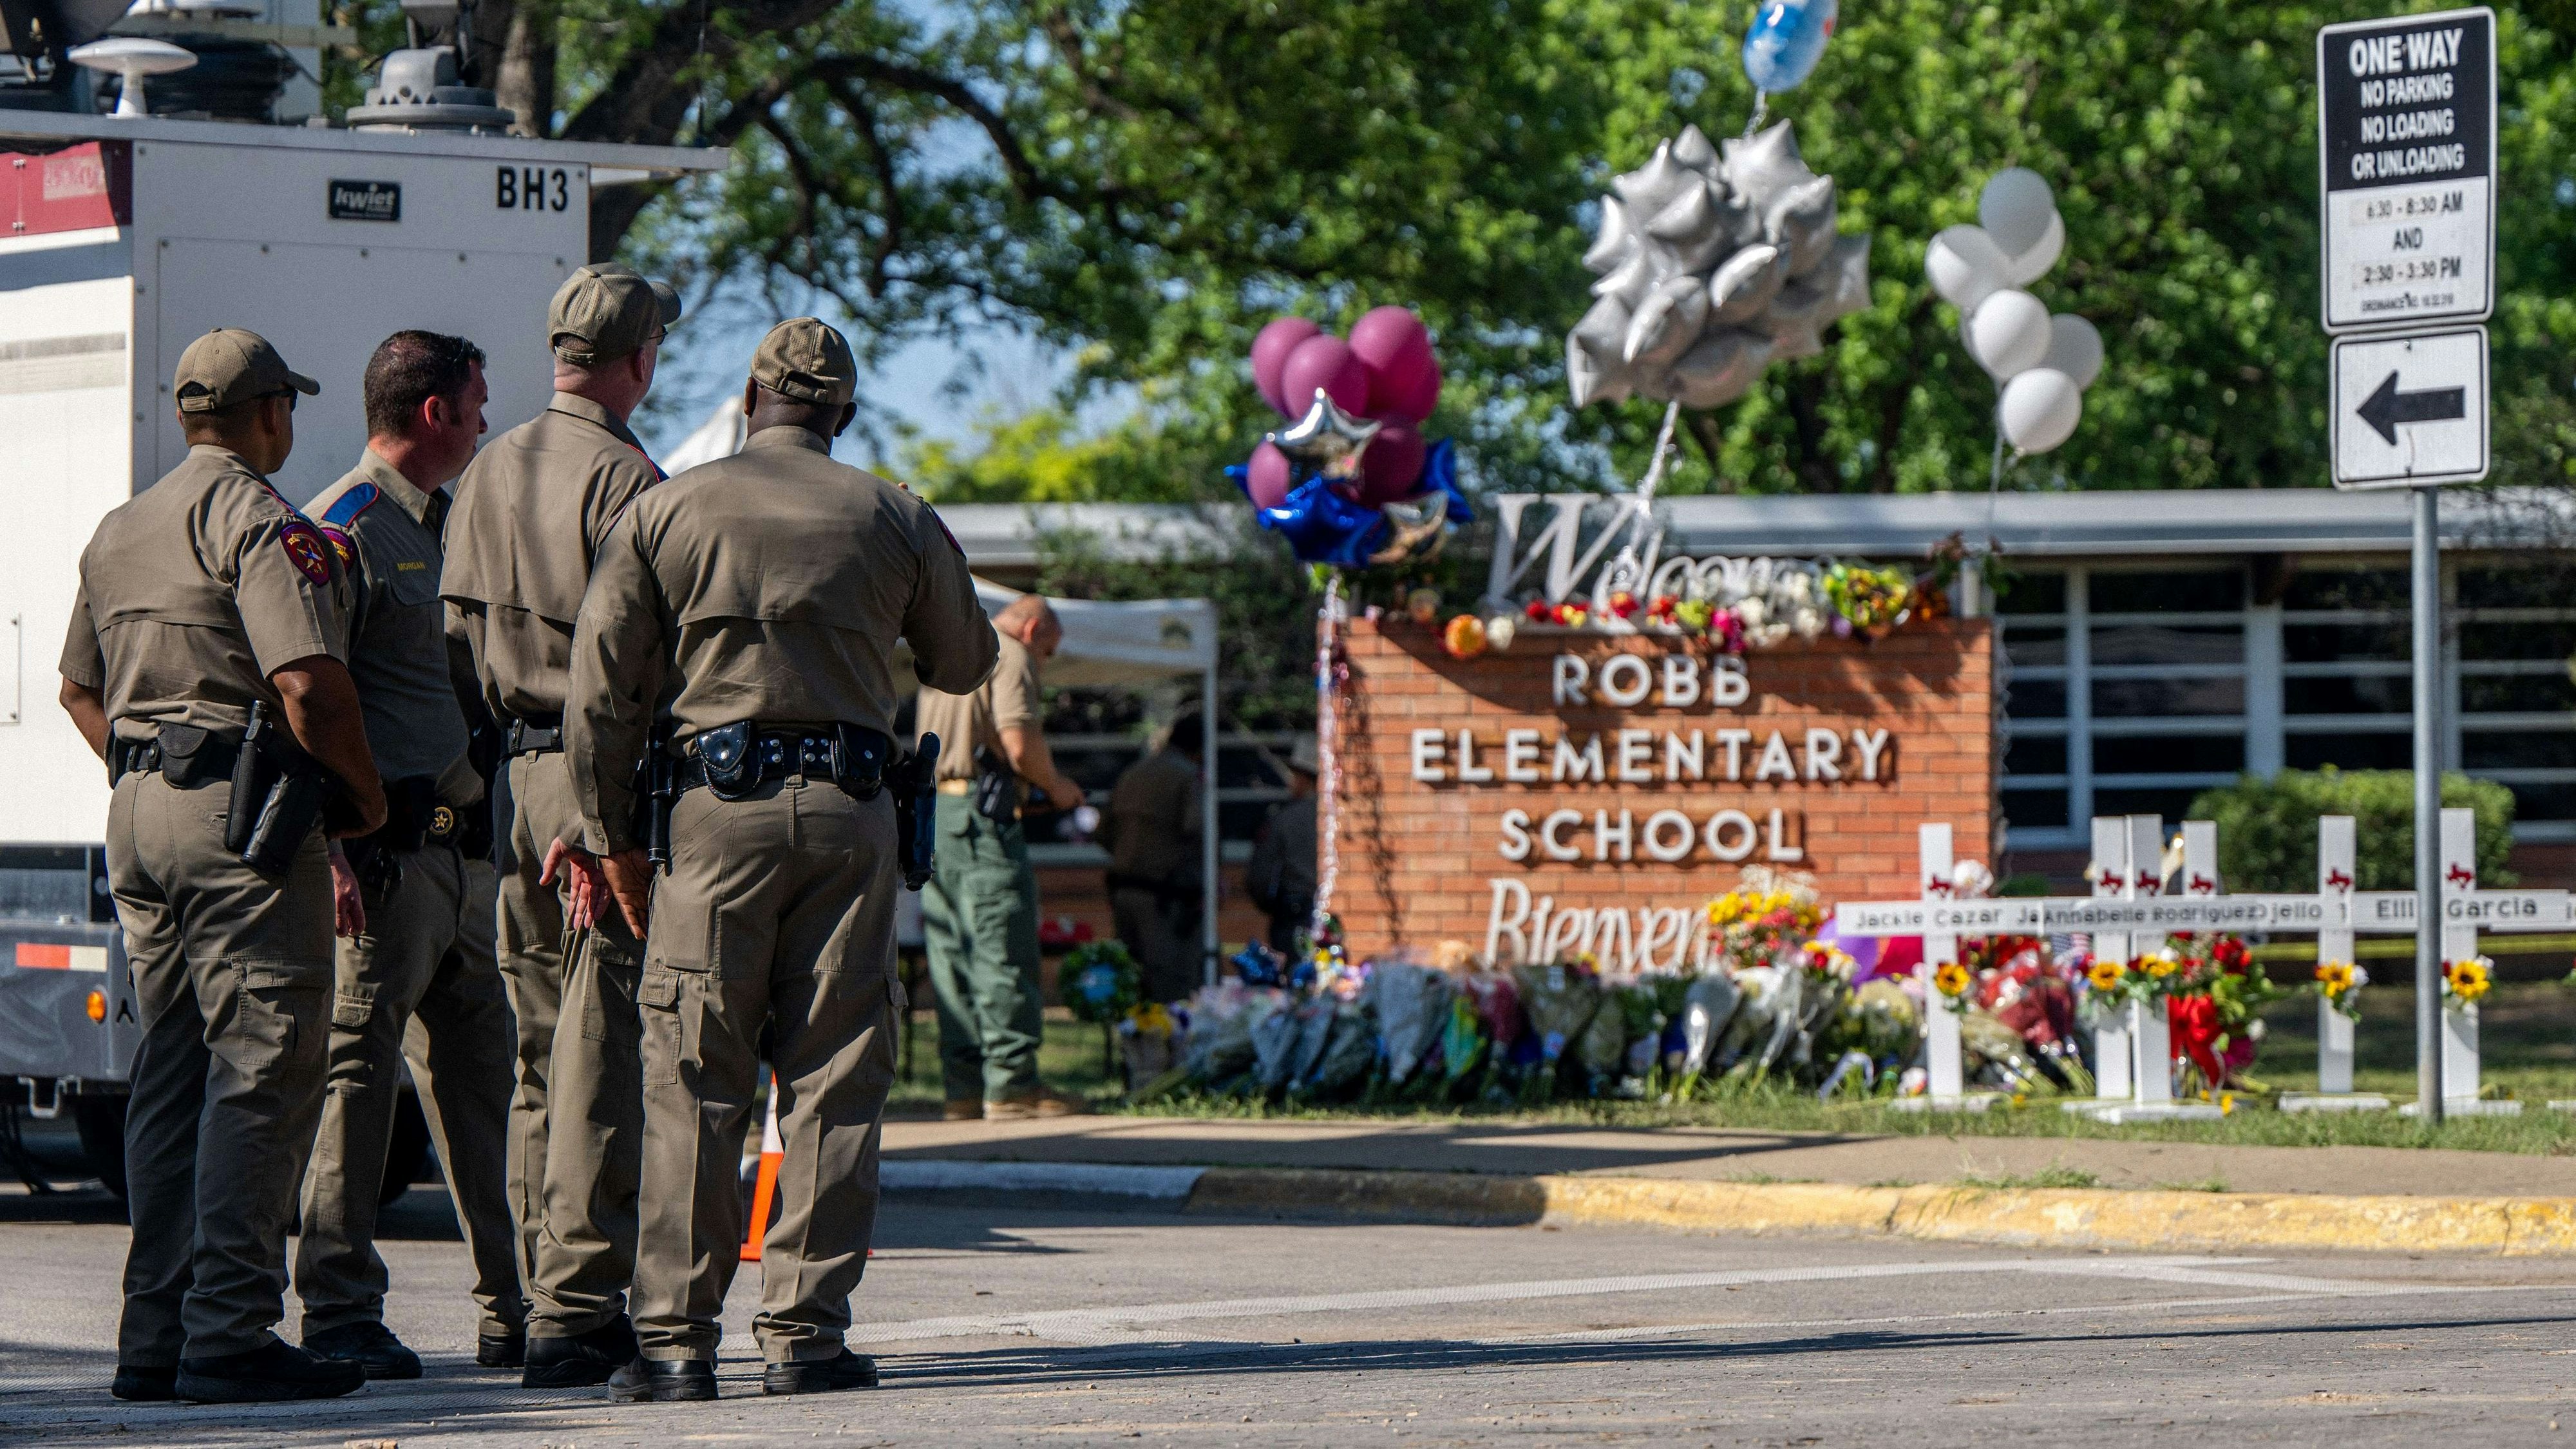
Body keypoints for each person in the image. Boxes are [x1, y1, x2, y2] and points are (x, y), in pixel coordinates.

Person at [561, 317, 996, 1402]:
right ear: (842, 411)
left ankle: (673, 1343)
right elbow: (967, 657)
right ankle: (804, 1335)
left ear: (752, 398)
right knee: (836, 1076)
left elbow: (600, 692)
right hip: (852, 816)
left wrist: (611, 835)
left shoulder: (664, 509)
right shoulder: (896, 515)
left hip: (712, 816)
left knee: (695, 1075)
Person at [58, 328, 386, 1404]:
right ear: (267, 415)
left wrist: (149, 764)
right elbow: (307, 681)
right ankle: (230, 1331)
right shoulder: (254, 517)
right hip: (238, 823)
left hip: (138, 810)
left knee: (175, 1069)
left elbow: (77, 689)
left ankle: (153, 1335)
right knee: (267, 1067)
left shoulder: (120, 527)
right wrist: (363, 801)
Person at [440, 263, 679, 1388]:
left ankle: (533, 1298)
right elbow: (631, 667)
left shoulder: (488, 468)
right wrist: (606, 818)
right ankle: (579, 1311)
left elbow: (449, 650)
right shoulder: (627, 479)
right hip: (595, 786)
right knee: (600, 1054)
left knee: (541, 1054)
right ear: (638, 360)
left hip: (512, 779)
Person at [294, 331, 526, 1379]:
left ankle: (520, 1307)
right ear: (434, 412)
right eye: (475, 404)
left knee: (489, 1090)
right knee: (357, 1086)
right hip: (381, 868)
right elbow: (298, 689)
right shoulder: (344, 527)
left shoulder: (445, 529)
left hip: (464, 864)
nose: (484, 422)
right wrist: (329, 847)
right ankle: (340, 1306)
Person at [914, 594, 1086, 1121]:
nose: (1046, 663)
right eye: (1049, 651)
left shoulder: (951, 653)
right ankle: (1012, 1084)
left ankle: (963, 1089)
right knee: (1001, 948)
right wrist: (1058, 788)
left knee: (951, 957)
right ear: (1032, 628)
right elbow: (1018, 744)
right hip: (984, 822)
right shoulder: (1008, 653)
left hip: (938, 815)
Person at [1103, 711, 1208, 1004]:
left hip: (1124, 892)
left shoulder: (1133, 773)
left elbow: (1103, 832)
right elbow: (1197, 831)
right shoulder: (1188, 777)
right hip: (1165, 899)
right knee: (1171, 988)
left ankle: (1134, 1047)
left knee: (1131, 982)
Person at [1245, 736, 1319, 957]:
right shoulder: (1340, 817)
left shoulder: (1283, 819)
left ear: (1306, 778)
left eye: (1295, 775)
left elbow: (1261, 875)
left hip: (1292, 916)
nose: (1291, 782)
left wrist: (1269, 905)